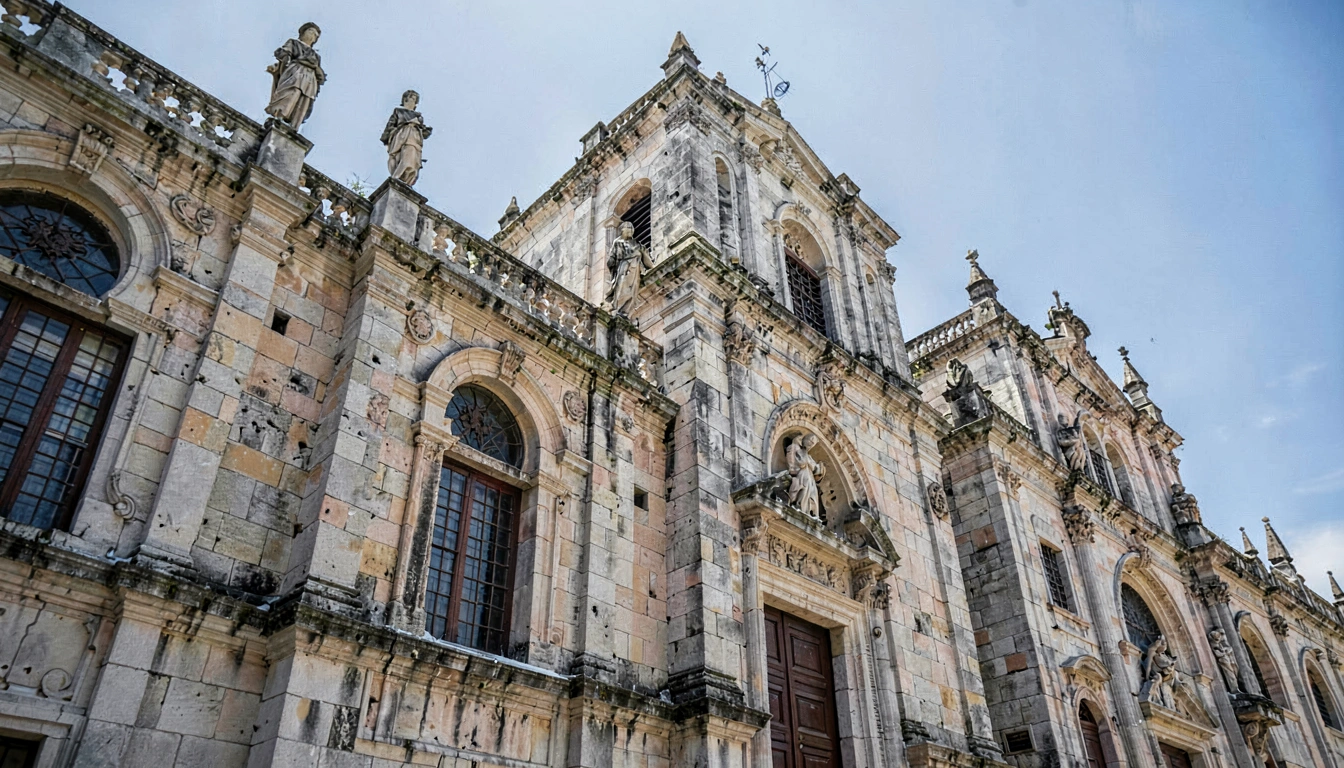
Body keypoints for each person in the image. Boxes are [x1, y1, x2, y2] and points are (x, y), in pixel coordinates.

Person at [265, 23, 326, 128]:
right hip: (295, 72)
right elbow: (285, 54)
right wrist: (283, 66)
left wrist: (315, 69)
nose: (313, 35)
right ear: (303, 32)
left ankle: (294, 125)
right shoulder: (293, 43)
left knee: (303, 101)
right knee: (292, 92)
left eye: (316, 35)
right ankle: (280, 116)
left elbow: (320, 75)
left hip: (310, 80)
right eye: (311, 31)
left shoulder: (315, 55)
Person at [381, 90, 433, 186]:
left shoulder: (419, 117)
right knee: (400, 158)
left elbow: (424, 132)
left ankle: (405, 181)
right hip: (401, 137)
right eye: (411, 98)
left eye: (415, 99)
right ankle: (397, 177)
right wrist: (394, 134)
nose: (414, 102)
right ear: (405, 99)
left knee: (412, 161)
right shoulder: (398, 112)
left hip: (414, 138)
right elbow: (389, 128)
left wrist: (424, 129)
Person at [606, 221, 652, 316]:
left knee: (632, 290)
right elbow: (612, 259)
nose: (631, 229)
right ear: (622, 230)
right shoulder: (618, 242)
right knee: (622, 286)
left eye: (632, 228)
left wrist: (653, 268)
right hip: (623, 268)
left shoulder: (637, 244)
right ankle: (618, 308)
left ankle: (624, 310)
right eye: (628, 227)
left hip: (635, 269)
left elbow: (647, 260)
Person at [786, 434, 825, 521]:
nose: (811, 444)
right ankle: (800, 507)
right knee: (803, 491)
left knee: (813, 495)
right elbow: (799, 464)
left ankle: (810, 513)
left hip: (810, 479)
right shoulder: (798, 450)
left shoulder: (809, 457)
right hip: (803, 475)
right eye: (810, 441)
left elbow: (816, 470)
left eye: (813, 443)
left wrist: (820, 470)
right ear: (804, 440)